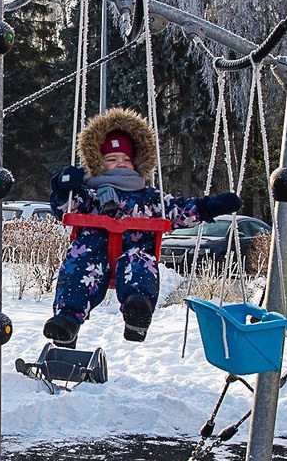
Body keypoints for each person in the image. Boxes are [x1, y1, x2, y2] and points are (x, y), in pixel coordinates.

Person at [43, 108, 241, 347]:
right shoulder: (89, 194)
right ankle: (67, 321)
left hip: (134, 255)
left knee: (141, 264)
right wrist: (64, 187)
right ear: (98, 163)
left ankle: (138, 311)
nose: (121, 164)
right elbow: (65, 208)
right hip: (92, 255)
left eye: (126, 159)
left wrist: (210, 206)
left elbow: (178, 210)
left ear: (137, 163)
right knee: (78, 268)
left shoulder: (149, 197)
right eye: (112, 159)